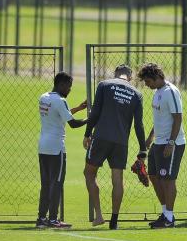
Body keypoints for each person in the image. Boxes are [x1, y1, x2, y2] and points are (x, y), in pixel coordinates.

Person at [83, 64, 147, 230]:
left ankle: (98, 215)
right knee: (117, 179)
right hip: (121, 142)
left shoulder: (104, 85)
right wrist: (142, 148)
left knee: (89, 173)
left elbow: (95, 112)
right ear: (130, 77)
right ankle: (114, 221)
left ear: (115, 74)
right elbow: (138, 125)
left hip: (101, 137)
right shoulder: (137, 94)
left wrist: (87, 133)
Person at [36, 71, 87, 229]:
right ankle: (53, 220)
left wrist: (78, 108)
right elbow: (73, 124)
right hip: (56, 148)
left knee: (45, 184)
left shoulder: (44, 97)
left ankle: (41, 219)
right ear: (62, 85)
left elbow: (58, 114)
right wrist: (91, 119)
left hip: (43, 146)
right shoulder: (60, 100)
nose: (70, 89)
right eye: (69, 86)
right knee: (56, 183)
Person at [137, 63, 185, 229]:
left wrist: (171, 142)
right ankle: (165, 213)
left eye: (147, 81)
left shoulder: (170, 92)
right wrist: (150, 138)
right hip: (158, 142)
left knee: (167, 179)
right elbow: (160, 119)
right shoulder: (158, 92)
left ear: (155, 78)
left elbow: (178, 118)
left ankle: (170, 218)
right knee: (154, 176)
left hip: (171, 143)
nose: (146, 85)